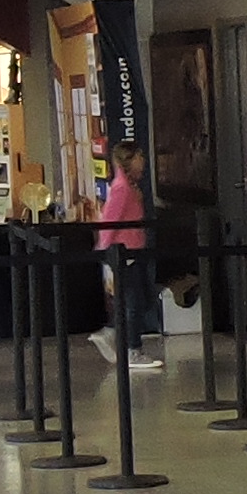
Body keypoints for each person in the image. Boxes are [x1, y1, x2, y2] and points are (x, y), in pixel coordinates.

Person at [90, 143, 160, 370]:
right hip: (124, 253)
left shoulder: (129, 186)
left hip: (132, 251)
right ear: (129, 160)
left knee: (135, 300)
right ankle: (132, 349)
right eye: (139, 157)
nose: (143, 161)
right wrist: (105, 251)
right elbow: (110, 221)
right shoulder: (122, 188)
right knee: (133, 302)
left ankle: (115, 334)